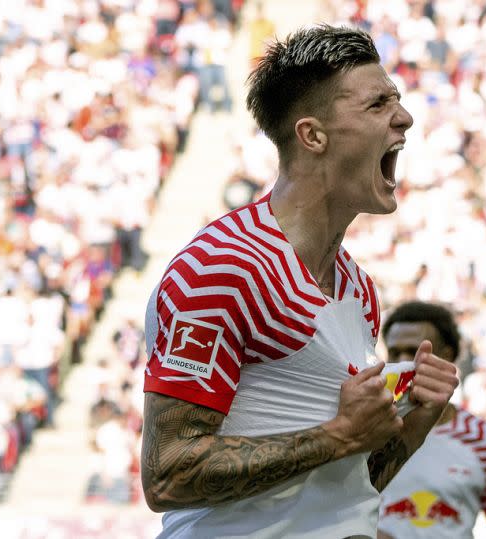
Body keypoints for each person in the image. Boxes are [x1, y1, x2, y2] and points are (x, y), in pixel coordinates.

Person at [140, 25, 459, 539]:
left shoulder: (358, 288)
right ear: (312, 135)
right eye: (378, 104)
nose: (404, 117)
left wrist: (412, 427)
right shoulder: (223, 268)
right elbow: (169, 473)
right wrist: (338, 435)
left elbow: (346, 483)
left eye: (396, 100)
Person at [377, 301, 486, 539]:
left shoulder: (483, 439)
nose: (404, 362)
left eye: (415, 352)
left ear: (446, 357)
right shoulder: (370, 431)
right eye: (395, 353)